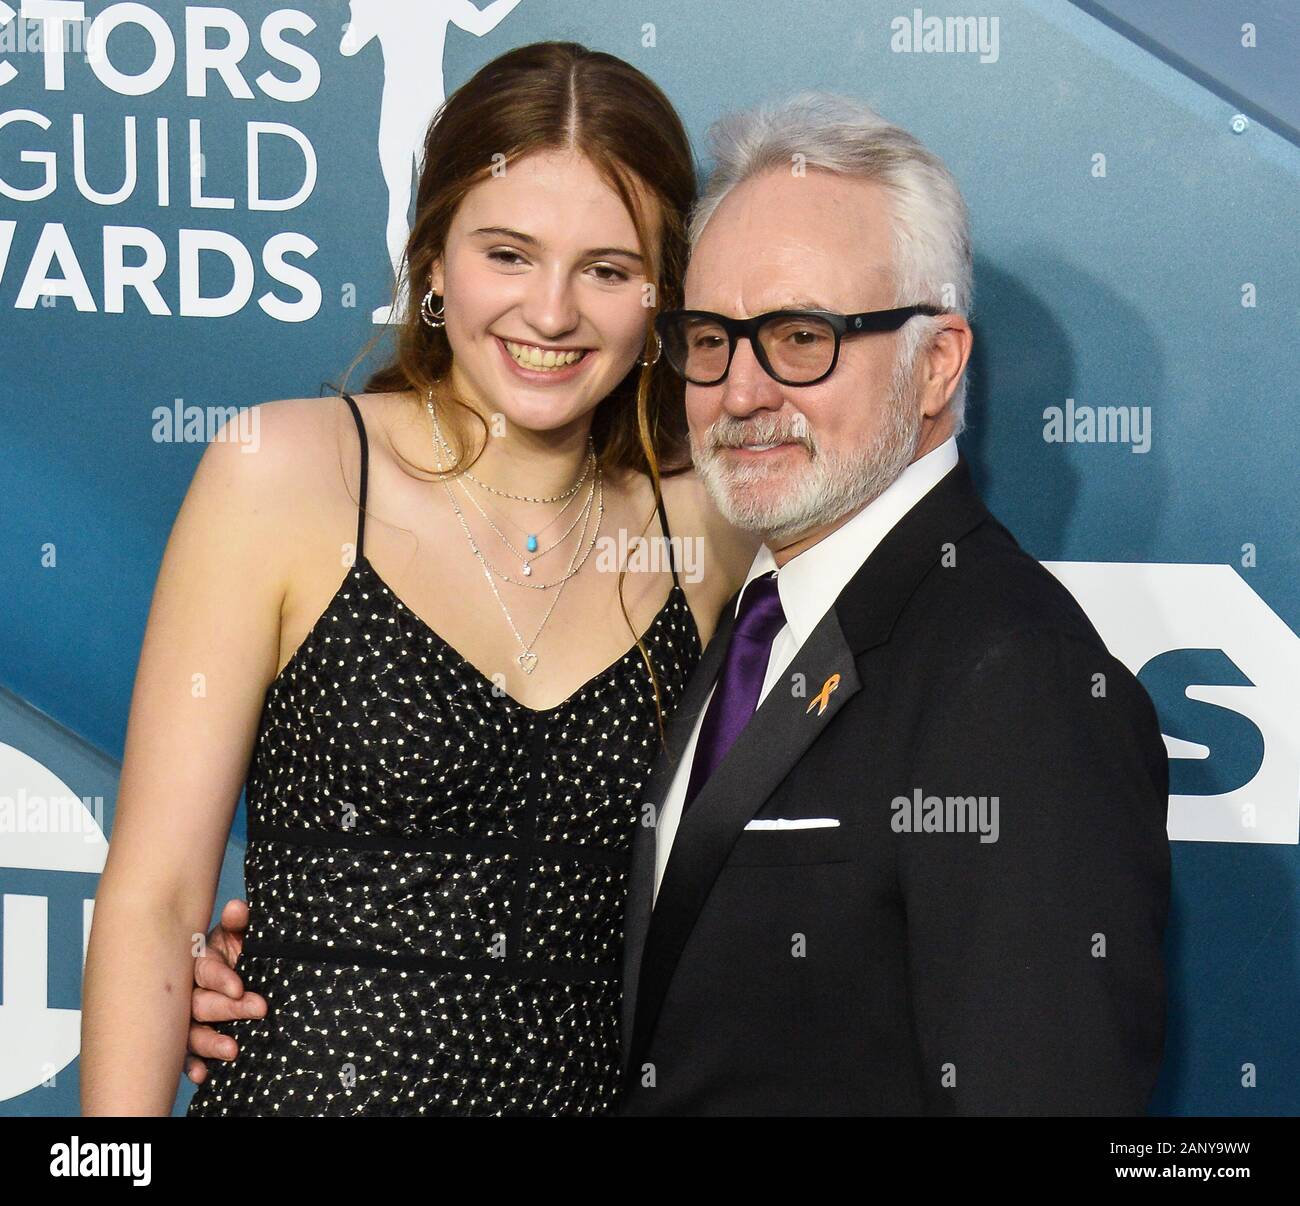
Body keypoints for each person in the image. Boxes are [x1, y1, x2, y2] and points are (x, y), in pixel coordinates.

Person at [185, 92, 1172, 1117]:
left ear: (937, 364)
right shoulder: (747, 607)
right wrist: (317, 962)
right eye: (713, 337)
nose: (743, 392)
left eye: (801, 336)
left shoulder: (1019, 679)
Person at [79, 42, 756, 1117]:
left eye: (608, 269)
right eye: (507, 253)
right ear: (433, 259)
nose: (551, 313)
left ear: (663, 294)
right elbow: (157, 900)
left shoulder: (710, 523)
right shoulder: (285, 473)